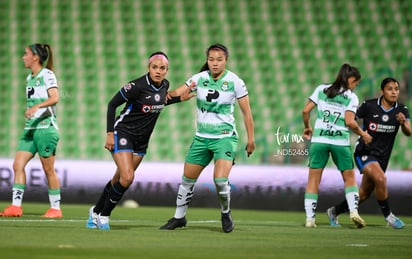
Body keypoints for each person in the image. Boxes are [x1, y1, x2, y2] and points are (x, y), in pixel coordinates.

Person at [86, 51, 193, 230]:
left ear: (167, 70)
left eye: (162, 68)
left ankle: (95, 211)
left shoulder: (165, 85)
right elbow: (112, 104)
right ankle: (104, 216)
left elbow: (158, 102)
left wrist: (180, 98)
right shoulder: (136, 86)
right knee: (127, 177)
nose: (158, 71)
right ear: (148, 68)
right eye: (154, 67)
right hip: (123, 133)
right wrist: (109, 133)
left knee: (119, 178)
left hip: (141, 140)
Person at [159, 44, 255, 233]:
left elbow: (247, 113)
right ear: (207, 60)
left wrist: (251, 139)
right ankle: (179, 218)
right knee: (186, 180)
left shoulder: (235, 82)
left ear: (225, 60)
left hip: (224, 138)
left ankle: (225, 213)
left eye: (219, 59)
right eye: (211, 59)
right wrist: (158, 95)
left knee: (220, 180)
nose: (215, 63)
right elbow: (175, 93)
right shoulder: (199, 79)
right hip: (201, 138)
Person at [327, 77, 411, 229]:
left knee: (364, 193)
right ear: (382, 91)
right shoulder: (369, 106)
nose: (394, 92)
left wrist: (403, 123)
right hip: (364, 152)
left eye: (396, 89)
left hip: (383, 157)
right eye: (390, 89)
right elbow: (350, 119)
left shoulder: (402, 110)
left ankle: (334, 211)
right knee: (381, 178)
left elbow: (408, 132)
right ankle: (389, 216)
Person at [302, 63, 372, 228]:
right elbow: (350, 122)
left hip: (319, 140)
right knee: (349, 179)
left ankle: (310, 219)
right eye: (356, 83)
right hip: (340, 142)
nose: (356, 86)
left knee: (313, 180)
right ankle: (354, 212)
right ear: (351, 79)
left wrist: (307, 126)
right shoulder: (351, 97)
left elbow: (305, 111)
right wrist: (363, 134)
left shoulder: (321, 89)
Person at [0, 44, 62, 218]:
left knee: (48, 169)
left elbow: (55, 98)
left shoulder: (47, 75)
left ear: (35, 57)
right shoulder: (30, 78)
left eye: (26, 54)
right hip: (30, 130)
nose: (23, 57)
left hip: (45, 129)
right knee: (17, 165)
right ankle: (15, 207)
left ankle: (55, 209)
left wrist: (37, 106)